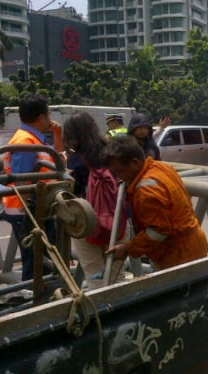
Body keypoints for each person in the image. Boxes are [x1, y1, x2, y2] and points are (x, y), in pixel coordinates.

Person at [102, 136, 208, 270]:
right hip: (193, 243)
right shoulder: (161, 167)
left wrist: (127, 249)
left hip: (179, 256)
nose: (119, 176)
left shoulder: (146, 190)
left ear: (134, 162)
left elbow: (158, 231)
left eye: (120, 171)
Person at [2, 93, 64, 281]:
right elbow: (22, 182)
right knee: (35, 264)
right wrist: (33, 212)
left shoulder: (34, 138)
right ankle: (34, 303)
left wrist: (57, 135)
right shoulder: (25, 141)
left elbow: (57, 162)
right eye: (49, 114)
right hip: (28, 213)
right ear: (41, 117)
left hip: (39, 210)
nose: (50, 119)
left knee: (43, 260)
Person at [63, 111, 128, 289]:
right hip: (117, 220)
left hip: (87, 222)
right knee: (117, 276)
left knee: (95, 276)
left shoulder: (74, 162)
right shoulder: (112, 152)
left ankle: (101, 313)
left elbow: (70, 193)